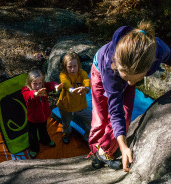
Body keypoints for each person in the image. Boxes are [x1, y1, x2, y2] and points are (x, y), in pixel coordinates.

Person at [89, 21, 171, 172]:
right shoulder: (110, 67)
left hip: (122, 71)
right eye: (126, 78)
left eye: (134, 78)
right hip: (101, 74)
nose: (128, 83)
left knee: (126, 116)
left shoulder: (158, 51)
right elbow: (115, 110)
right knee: (101, 117)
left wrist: (124, 145)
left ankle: (104, 149)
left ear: (149, 67)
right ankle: (96, 150)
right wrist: (123, 145)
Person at [21, 69, 63, 159]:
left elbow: (50, 85)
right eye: (35, 83)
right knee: (32, 135)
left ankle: (45, 141)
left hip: (43, 117)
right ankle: (34, 148)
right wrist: (36, 94)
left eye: (40, 83)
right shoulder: (25, 90)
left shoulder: (43, 87)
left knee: (43, 130)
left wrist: (55, 86)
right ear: (29, 83)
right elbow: (28, 95)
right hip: (32, 119)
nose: (38, 86)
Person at [56, 52, 92, 144]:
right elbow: (65, 82)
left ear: (78, 65)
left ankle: (88, 137)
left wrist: (87, 88)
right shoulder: (63, 74)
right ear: (65, 67)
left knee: (91, 120)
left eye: (75, 66)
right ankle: (66, 133)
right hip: (66, 106)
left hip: (80, 105)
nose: (72, 69)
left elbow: (86, 80)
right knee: (66, 123)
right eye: (69, 67)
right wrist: (72, 90)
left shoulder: (82, 73)